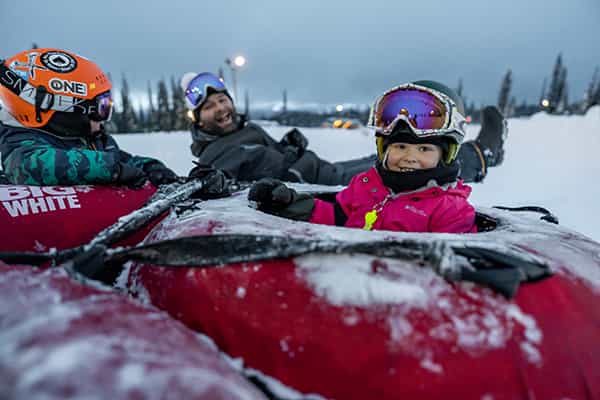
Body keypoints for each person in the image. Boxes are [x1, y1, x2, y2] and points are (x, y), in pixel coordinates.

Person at [183, 72, 506, 185]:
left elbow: (261, 156)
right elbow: (228, 180)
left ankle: (464, 149)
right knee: (404, 169)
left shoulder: (243, 129)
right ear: (197, 120)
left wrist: (287, 146)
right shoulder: (214, 154)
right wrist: (284, 168)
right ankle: (480, 155)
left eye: (222, 100)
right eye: (209, 108)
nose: (221, 109)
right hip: (315, 185)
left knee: (389, 153)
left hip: (317, 169)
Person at [248, 81, 478, 234]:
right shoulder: (366, 185)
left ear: (446, 154)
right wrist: (291, 204)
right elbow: (335, 217)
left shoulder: (450, 210)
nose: (410, 157)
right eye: (400, 146)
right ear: (383, 149)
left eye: (424, 149)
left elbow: (453, 264)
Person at [0, 48, 177, 187]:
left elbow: (122, 160)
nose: (102, 119)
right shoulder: (20, 143)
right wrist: (110, 169)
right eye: (101, 108)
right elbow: (31, 166)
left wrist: (149, 167)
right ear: (63, 111)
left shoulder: (93, 139)